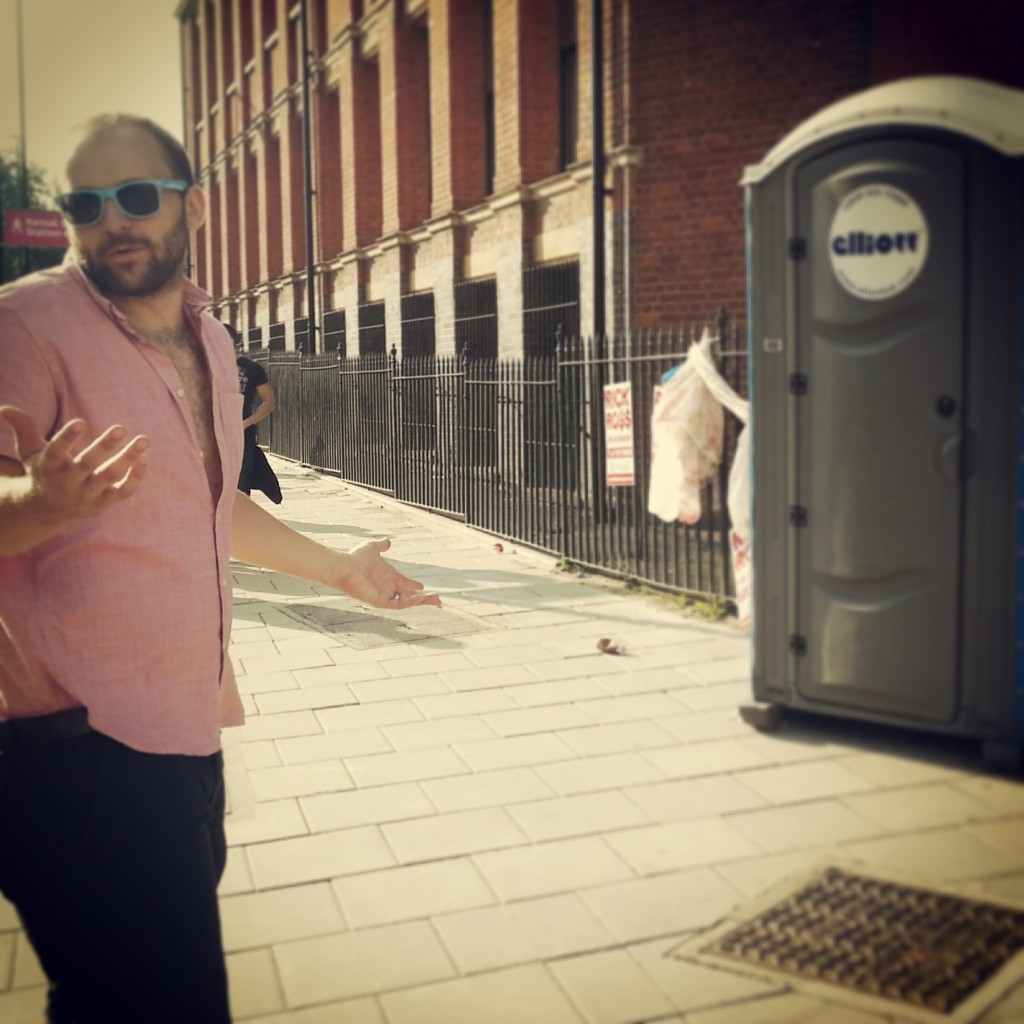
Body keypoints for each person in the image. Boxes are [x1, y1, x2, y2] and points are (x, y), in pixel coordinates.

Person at [0, 113, 439, 1024]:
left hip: (186, 727)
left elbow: (207, 506)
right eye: (86, 204)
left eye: (136, 196)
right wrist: (39, 504)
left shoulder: (209, 341)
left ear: (190, 205)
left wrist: (339, 572)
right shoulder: (27, 327)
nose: (111, 219)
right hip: (71, 748)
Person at [228, 323, 278, 496]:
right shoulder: (206, 367)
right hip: (211, 437)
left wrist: (244, 424)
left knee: (241, 490)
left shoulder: (251, 369)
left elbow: (269, 402)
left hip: (243, 437)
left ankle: (241, 521)